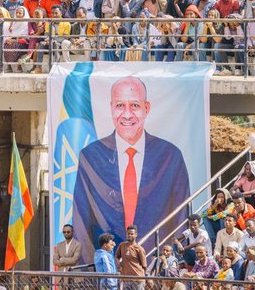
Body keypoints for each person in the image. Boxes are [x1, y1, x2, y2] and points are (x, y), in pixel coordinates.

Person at [71, 75, 192, 261]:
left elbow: (181, 220)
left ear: (146, 108)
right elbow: (82, 222)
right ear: (111, 108)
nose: (127, 114)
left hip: (156, 268)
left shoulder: (170, 156)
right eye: (120, 105)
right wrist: (87, 279)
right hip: (107, 269)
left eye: (134, 105)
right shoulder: (91, 157)